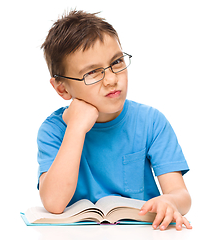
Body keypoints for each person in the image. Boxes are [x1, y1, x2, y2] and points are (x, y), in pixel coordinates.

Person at [37, 10, 192, 231]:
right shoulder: (53, 130)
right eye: (92, 73)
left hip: (145, 233)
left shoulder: (151, 121)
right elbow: (53, 203)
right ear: (62, 88)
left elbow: (182, 195)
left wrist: (171, 201)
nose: (111, 79)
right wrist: (76, 128)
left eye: (117, 61)